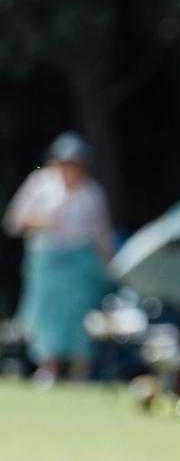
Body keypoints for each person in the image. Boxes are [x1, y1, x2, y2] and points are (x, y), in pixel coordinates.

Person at [4, 132, 113, 384]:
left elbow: (101, 231)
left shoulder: (92, 192)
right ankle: (48, 367)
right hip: (47, 258)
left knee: (78, 312)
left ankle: (80, 370)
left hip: (80, 260)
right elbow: (14, 220)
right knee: (45, 312)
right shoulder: (40, 183)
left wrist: (108, 261)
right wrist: (43, 219)